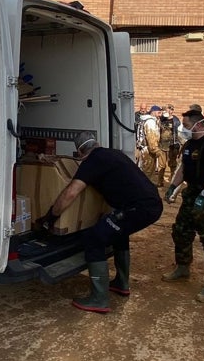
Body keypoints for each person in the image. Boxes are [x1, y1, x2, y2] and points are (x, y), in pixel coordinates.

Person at [35, 131, 163, 313]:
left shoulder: (92, 162)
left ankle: (99, 299)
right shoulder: (112, 154)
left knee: (94, 239)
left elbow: (71, 193)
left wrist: (50, 217)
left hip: (137, 209)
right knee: (119, 233)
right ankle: (121, 283)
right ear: (96, 143)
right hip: (152, 204)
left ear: (80, 152)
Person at [162, 110, 204, 303]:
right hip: (191, 194)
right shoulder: (189, 144)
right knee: (181, 231)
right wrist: (173, 186)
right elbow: (183, 168)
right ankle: (183, 267)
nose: (183, 129)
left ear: (198, 125)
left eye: (186, 125)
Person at [135, 105, 162, 185]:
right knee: (148, 173)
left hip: (143, 149)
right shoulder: (150, 122)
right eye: (158, 112)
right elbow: (151, 138)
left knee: (143, 171)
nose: (160, 115)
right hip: (148, 151)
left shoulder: (144, 120)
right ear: (153, 112)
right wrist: (156, 150)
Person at [158, 104, 182, 187]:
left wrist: (177, 144)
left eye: (171, 110)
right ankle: (160, 182)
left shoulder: (176, 120)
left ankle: (173, 183)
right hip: (162, 145)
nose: (170, 111)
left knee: (172, 164)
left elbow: (179, 133)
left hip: (172, 146)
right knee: (161, 165)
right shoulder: (162, 119)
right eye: (168, 110)